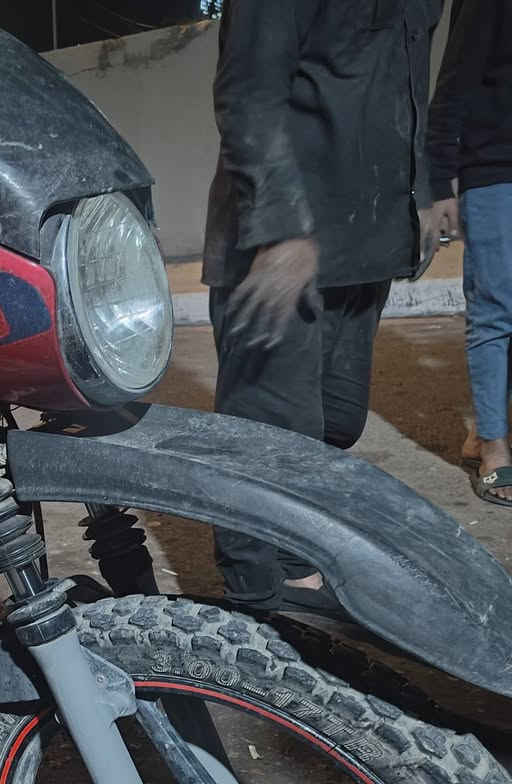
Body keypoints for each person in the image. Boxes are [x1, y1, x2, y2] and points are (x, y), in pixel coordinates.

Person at [202, 0, 443, 614]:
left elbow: (405, 78)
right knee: (269, 430)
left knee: (336, 420)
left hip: (364, 237)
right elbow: (248, 88)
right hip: (282, 240)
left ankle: (296, 554)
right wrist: (280, 230)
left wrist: (422, 192)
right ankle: (261, 587)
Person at [426, 0, 512, 505]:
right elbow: (454, 81)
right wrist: (439, 182)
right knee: (495, 311)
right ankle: (494, 448)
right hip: (497, 169)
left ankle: (487, 432)